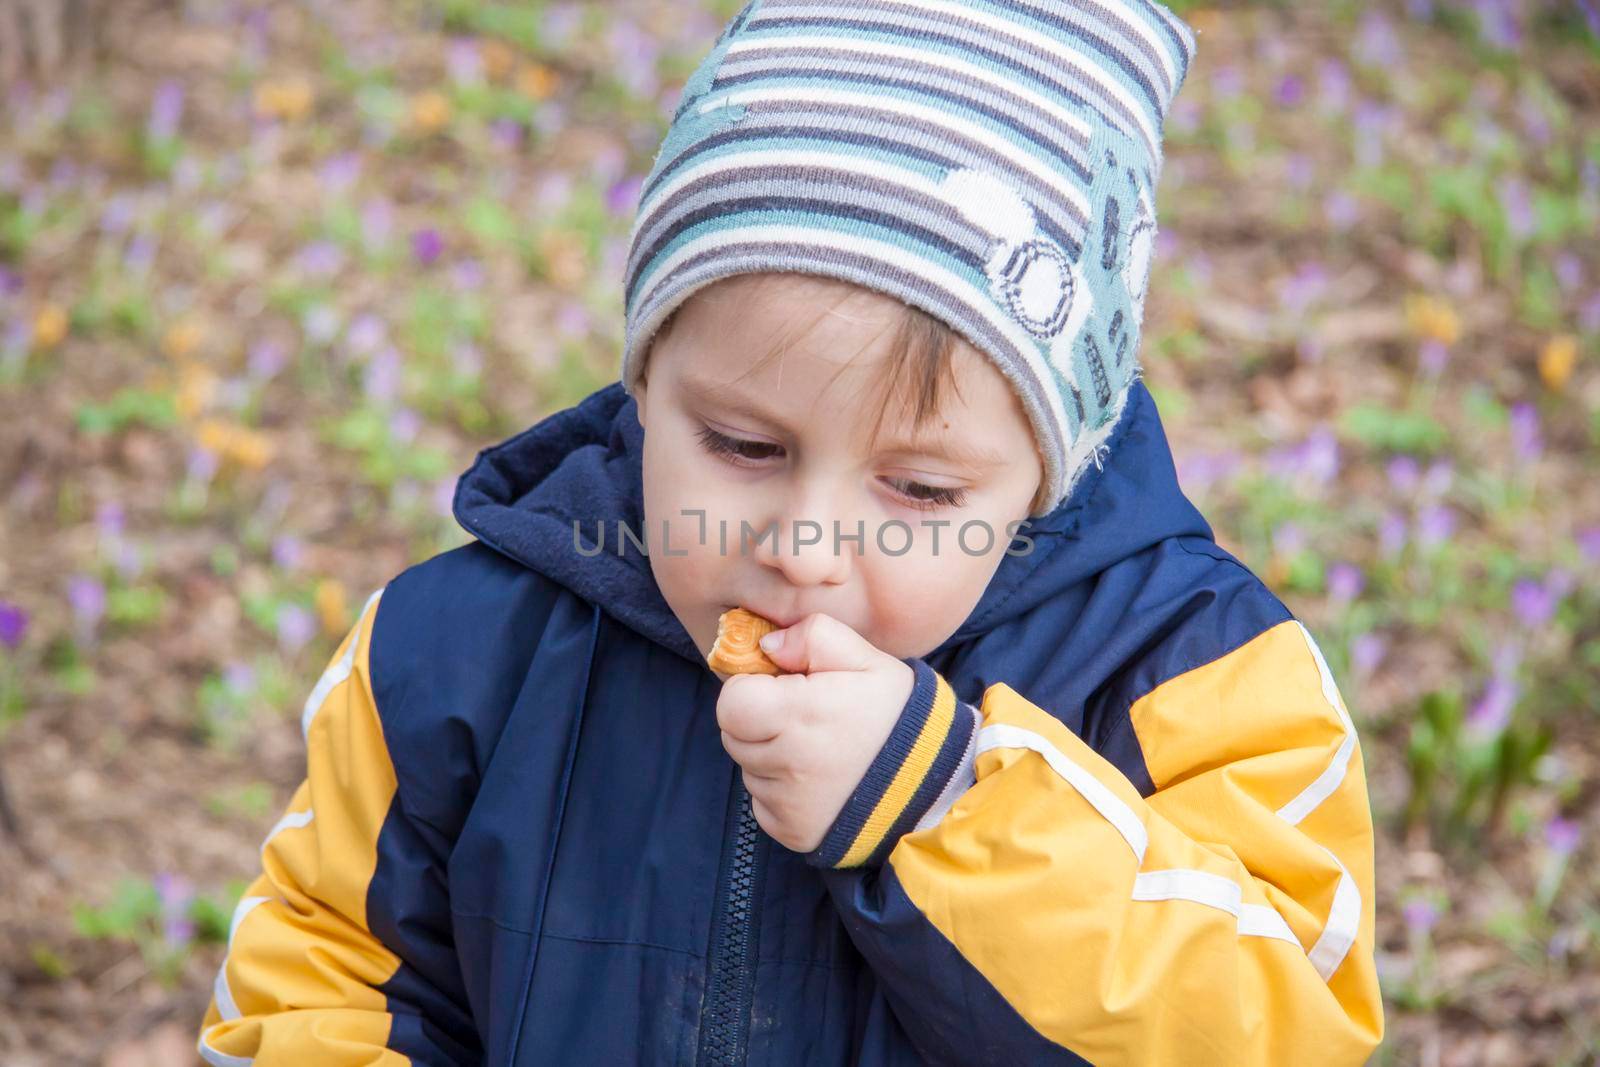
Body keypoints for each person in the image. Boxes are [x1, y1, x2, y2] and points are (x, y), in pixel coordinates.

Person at [198, 1, 1385, 1063]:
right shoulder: (452, 656)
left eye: (919, 492)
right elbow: (325, 975)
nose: (803, 543)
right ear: (648, 386)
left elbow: (1283, 1026)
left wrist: (943, 798)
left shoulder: (1194, 678)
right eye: (745, 448)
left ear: (1045, 471)